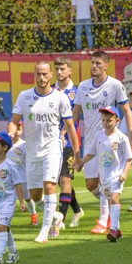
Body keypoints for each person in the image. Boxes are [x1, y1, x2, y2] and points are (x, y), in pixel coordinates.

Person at [10, 60, 75, 245]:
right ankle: (55, 216)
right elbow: (14, 120)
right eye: (38, 74)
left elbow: (70, 126)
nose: (41, 77)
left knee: (49, 187)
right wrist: (11, 131)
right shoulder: (24, 96)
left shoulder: (60, 98)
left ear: (51, 75)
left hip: (53, 149)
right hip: (32, 152)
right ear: (34, 75)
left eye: (45, 74)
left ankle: (44, 232)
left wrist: (77, 153)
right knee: (36, 196)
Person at [72, 49, 131, 234]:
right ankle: (111, 209)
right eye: (93, 63)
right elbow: (75, 112)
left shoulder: (115, 85)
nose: (94, 67)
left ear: (106, 65)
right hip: (91, 140)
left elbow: (127, 110)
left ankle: (105, 220)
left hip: (110, 141)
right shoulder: (82, 87)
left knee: (106, 180)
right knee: (91, 184)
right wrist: (67, 131)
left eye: (98, 64)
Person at [0, 132, 27, 264]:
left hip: (8, 203)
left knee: (2, 226)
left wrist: (21, 202)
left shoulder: (10, 165)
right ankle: (13, 252)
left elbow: (17, 184)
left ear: (4, 148)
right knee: (4, 227)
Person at [52, 56, 85, 226]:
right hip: (51, 143)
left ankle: (61, 219)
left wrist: (64, 131)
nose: (59, 72)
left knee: (65, 179)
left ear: (70, 70)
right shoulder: (50, 91)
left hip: (70, 143)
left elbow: (76, 117)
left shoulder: (79, 92)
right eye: (56, 69)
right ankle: (77, 210)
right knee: (59, 180)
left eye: (63, 69)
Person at [91, 106, 132, 241]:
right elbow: (92, 153)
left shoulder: (121, 138)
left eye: (109, 121)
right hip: (104, 176)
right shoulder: (98, 136)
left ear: (117, 121)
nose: (106, 123)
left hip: (117, 176)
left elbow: (129, 157)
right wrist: (80, 162)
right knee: (110, 202)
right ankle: (117, 229)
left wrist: (125, 173)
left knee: (114, 199)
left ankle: (113, 229)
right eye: (103, 120)